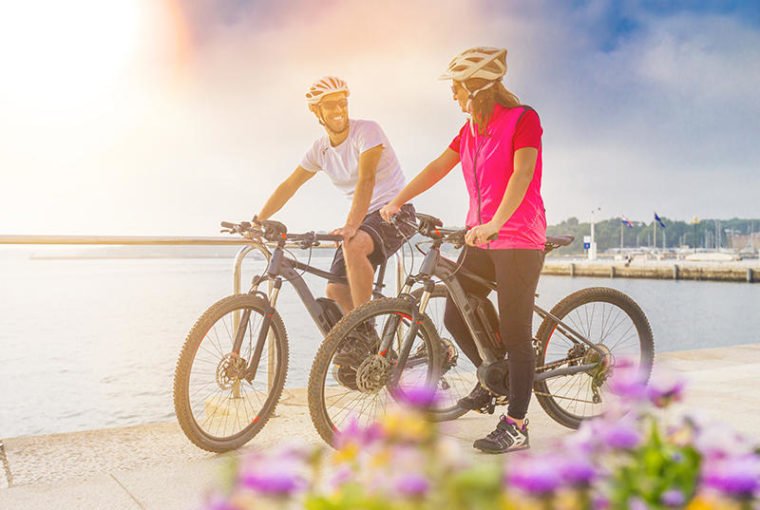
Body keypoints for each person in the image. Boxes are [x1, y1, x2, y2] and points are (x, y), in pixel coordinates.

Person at [380, 47, 546, 453]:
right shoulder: (470, 129)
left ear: (475, 89)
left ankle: (517, 424)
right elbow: (439, 165)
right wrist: (398, 199)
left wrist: (495, 223)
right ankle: (495, 376)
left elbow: (523, 173)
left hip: (518, 238)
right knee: (457, 311)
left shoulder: (523, 120)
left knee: (516, 332)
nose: (453, 95)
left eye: (456, 88)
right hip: (483, 236)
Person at [254, 76, 416, 315]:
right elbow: (289, 185)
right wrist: (257, 221)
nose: (339, 109)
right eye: (331, 105)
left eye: (343, 103)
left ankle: (365, 324)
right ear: (316, 110)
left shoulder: (367, 131)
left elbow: (366, 178)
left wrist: (351, 226)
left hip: (396, 212)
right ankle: (366, 345)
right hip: (364, 219)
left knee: (353, 243)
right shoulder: (320, 149)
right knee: (336, 291)